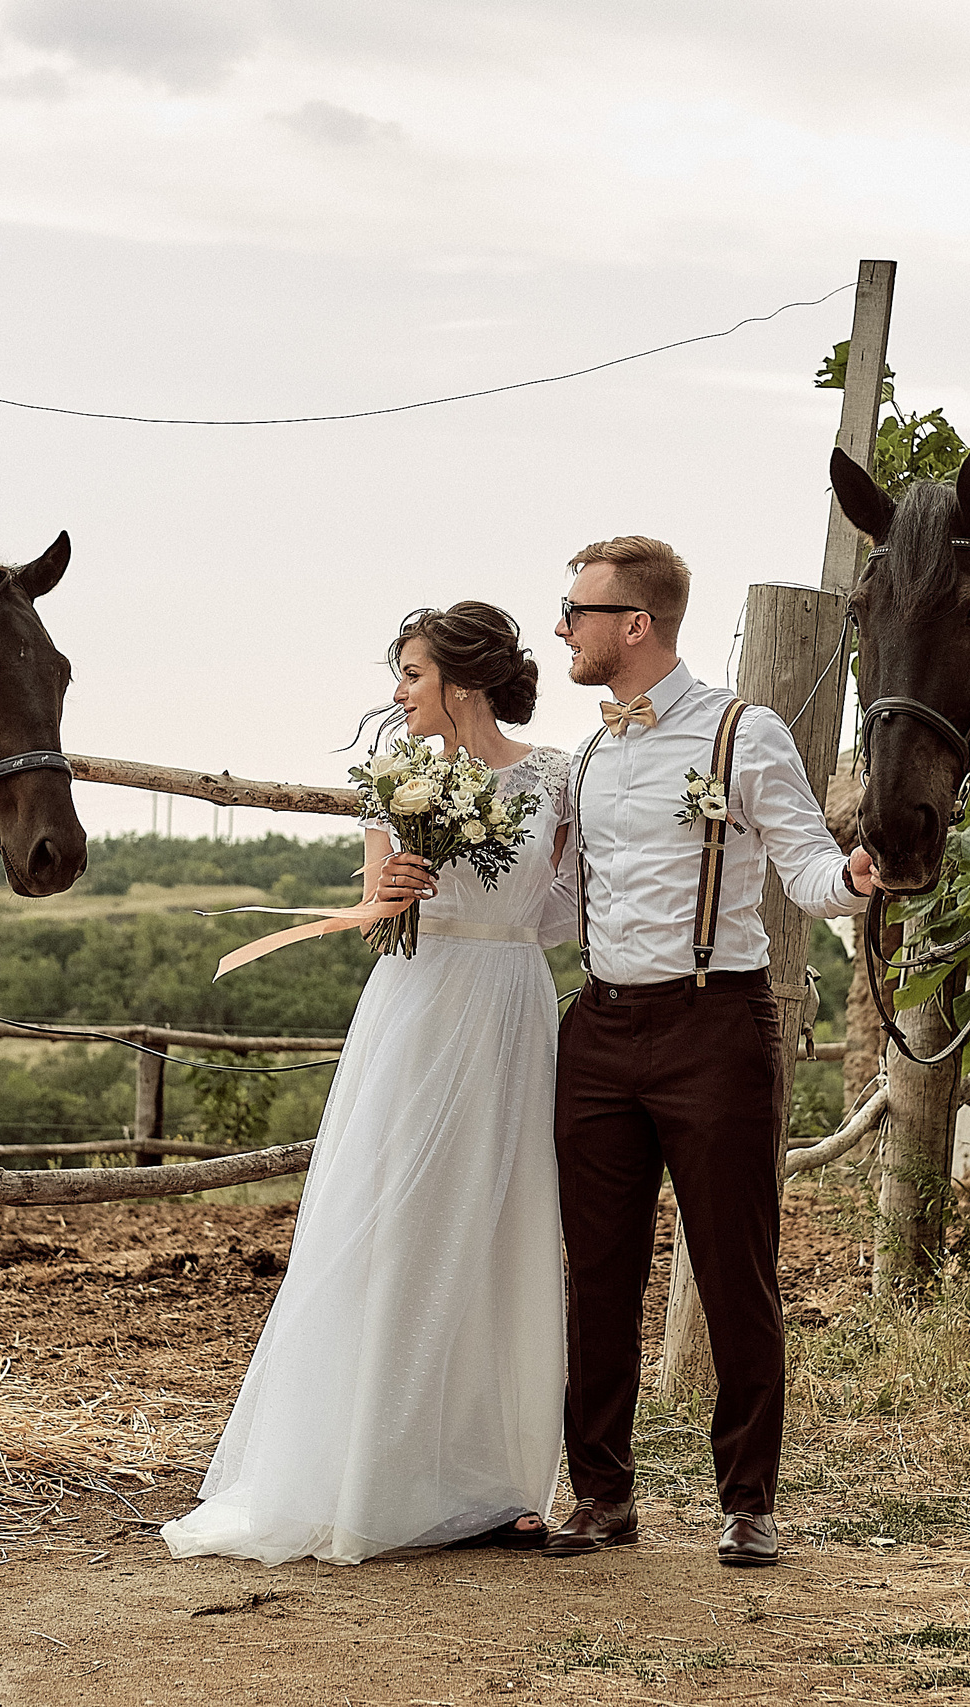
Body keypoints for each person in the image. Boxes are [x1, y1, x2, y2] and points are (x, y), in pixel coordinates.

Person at [161, 601, 574, 1567]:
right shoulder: (400, 782)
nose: (397, 694)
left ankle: (501, 1482)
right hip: (418, 1009)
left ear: (461, 683)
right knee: (399, 1223)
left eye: (411, 675)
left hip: (514, 1003)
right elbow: (371, 900)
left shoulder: (555, 775)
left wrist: (511, 920)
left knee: (504, 1221)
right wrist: (387, 897)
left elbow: (563, 908)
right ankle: (373, 1475)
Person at [544, 536, 876, 1568]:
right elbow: (562, 905)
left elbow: (806, 865)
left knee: (736, 1270)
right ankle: (600, 1493)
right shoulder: (591, 754)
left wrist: (857, 878)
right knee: (596, 1273)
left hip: (714, 1027)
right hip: (597, 1029)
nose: (562, 627)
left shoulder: (745, 731)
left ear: (632, 625)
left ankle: (748, 1501)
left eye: (577, 610)